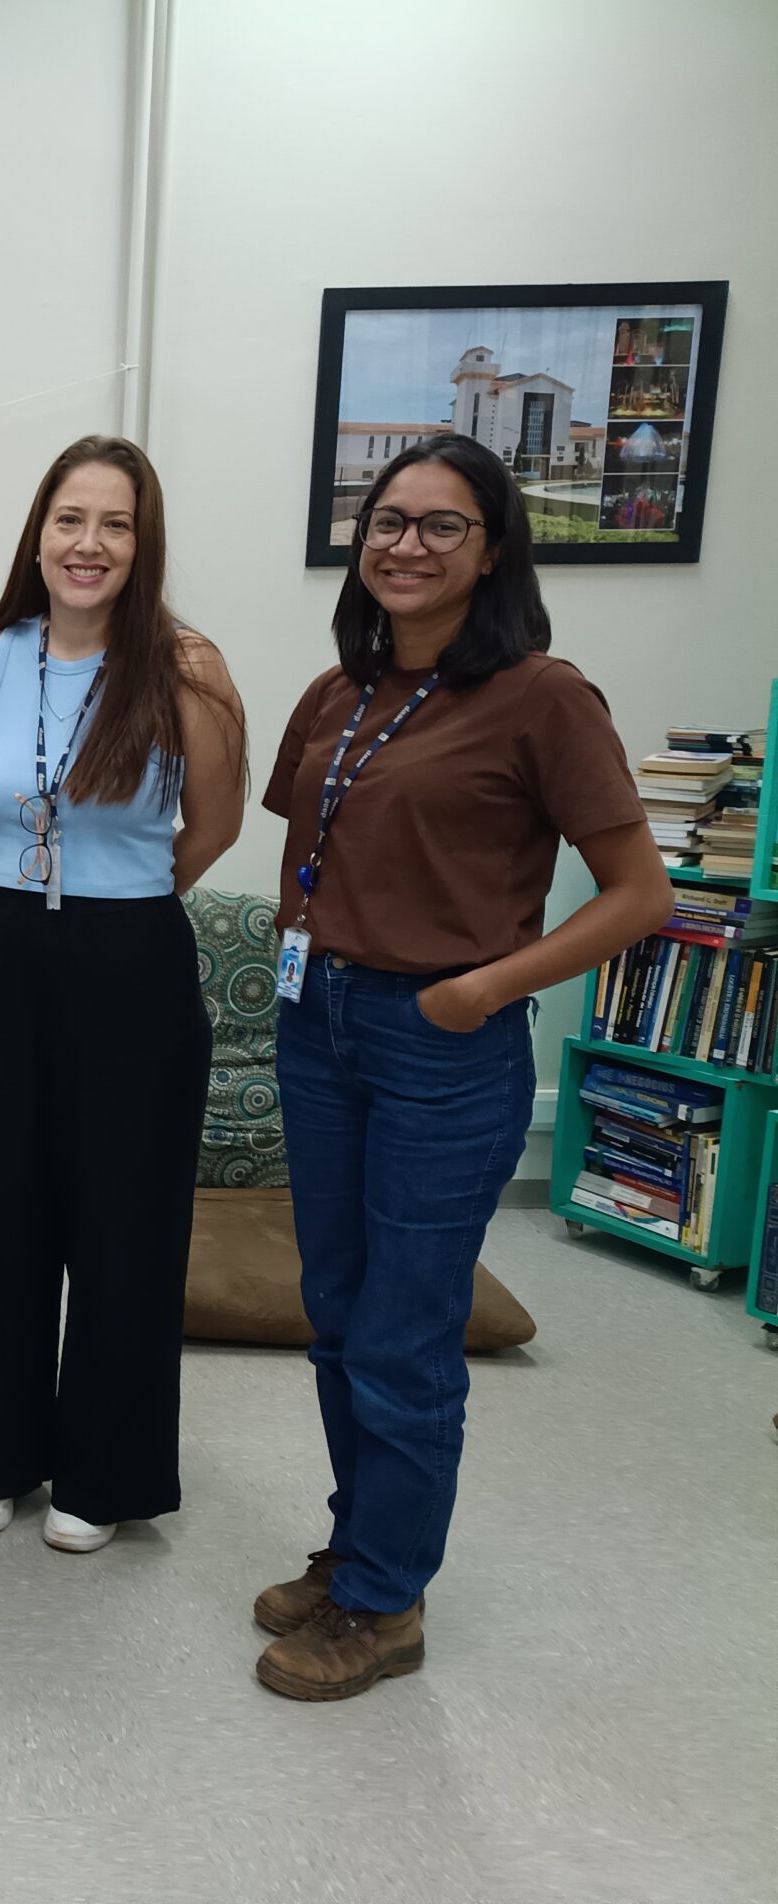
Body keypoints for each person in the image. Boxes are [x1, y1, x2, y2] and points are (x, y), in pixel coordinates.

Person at [254, 433, 665, 1701]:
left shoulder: (545, 696)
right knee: (334, 1313)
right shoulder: (342, 691)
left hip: (441, 1041)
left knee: (403, 1333)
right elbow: (306, 849)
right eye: (387, 520)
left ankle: (385, 1604)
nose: (405, 544)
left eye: (440, 525)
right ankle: (358, 1548)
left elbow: (638, 894)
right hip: (319, 1025)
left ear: (492, 550)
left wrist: (483, 988)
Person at [0, 434, 247, 1555]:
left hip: (131, 961)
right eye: (70, 519)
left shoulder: (187, 666)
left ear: (142, 542)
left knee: (124, 1222)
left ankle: (99, 1474)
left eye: (115, 524)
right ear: (39, 532)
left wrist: (114, 895)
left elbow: (208, 828)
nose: (88, 543)